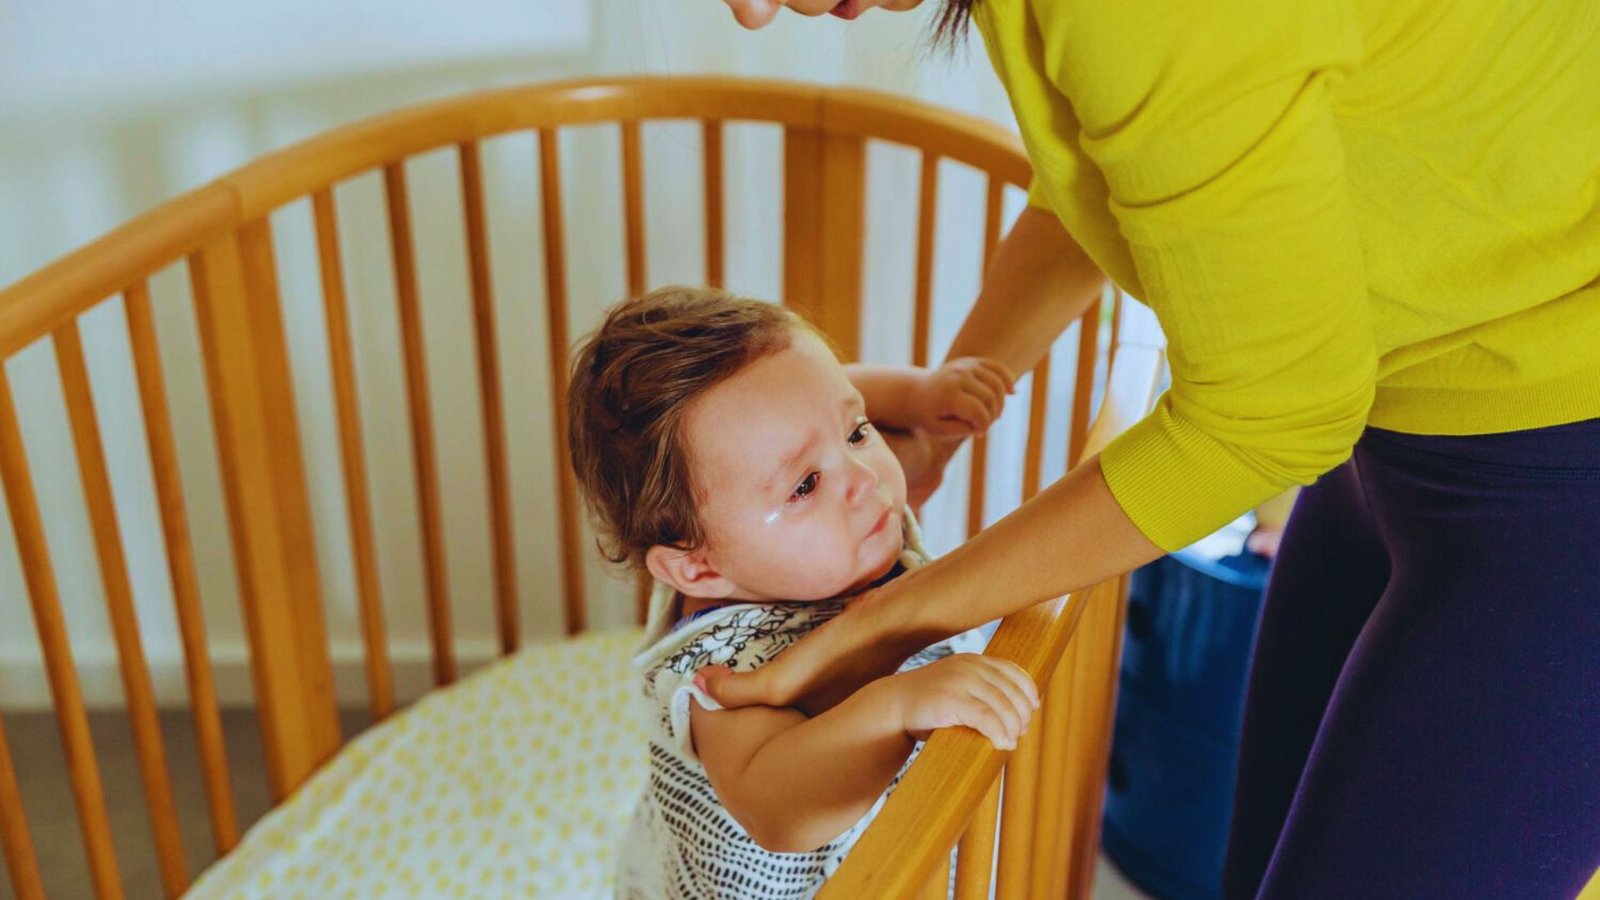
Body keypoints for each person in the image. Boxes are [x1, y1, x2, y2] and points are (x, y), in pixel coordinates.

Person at [697, 1, 1600, 896]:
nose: (748, 11)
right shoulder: (707, 659)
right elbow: (1118, 169)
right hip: (1407, 434)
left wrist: (889, 625)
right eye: (810, 478)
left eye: (857, 431)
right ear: (687, 562)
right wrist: (935, 426)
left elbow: (1269, 418)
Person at [565, 287, 1038, 898]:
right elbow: (778, 806)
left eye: (858, 431)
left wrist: (918, 396)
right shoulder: (720, 671)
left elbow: (818, 398)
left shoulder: (815, 532)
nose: (864, 480)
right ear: (700, 571)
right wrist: (895, 710)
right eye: (806, 484)